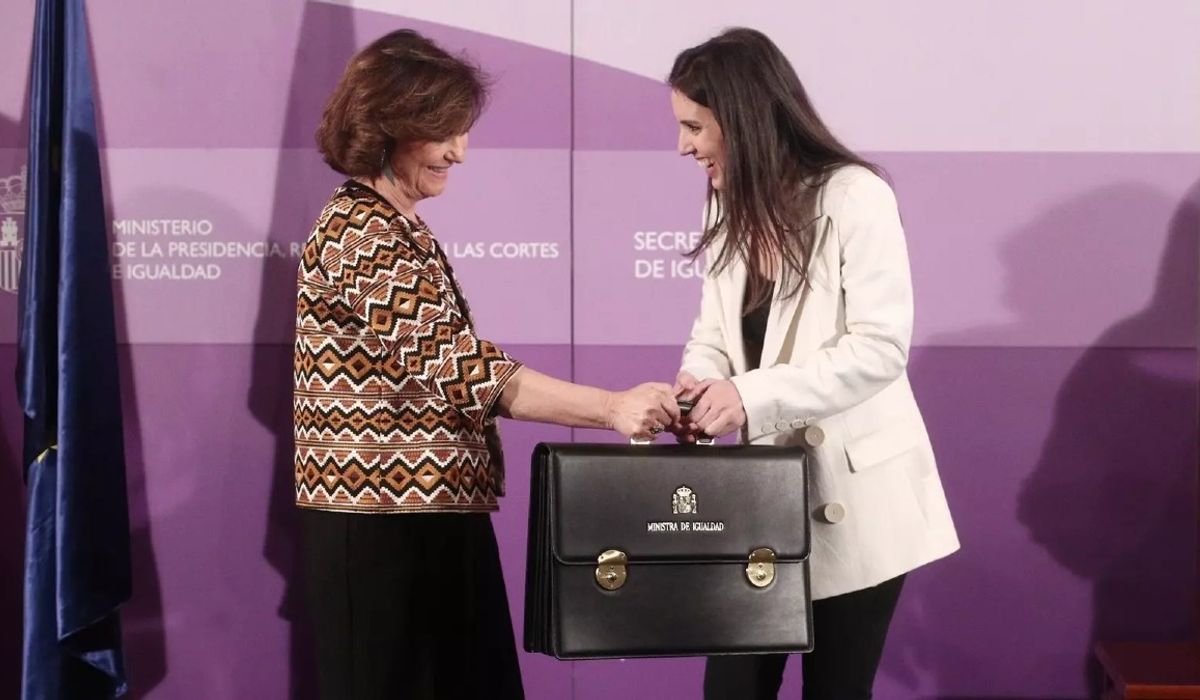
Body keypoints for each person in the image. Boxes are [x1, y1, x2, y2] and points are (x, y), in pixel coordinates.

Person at [294, 29, 678, 700]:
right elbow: (460, 368)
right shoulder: (361, 231)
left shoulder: (398, 225)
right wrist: (612, 408)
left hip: (430, 518)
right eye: (442, 132)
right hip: (382, 529)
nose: (459, 152)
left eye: (461, 130)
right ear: (387, 126)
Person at [665, 28, 960, 700]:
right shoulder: (726, 200)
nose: (683, 146)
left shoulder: (855, 196)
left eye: (694, 126)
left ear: (742, 117)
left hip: (855, 501)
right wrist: (699, 383)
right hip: (761, 501)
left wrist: (748, 396)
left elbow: (879, 347)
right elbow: (713, 333)